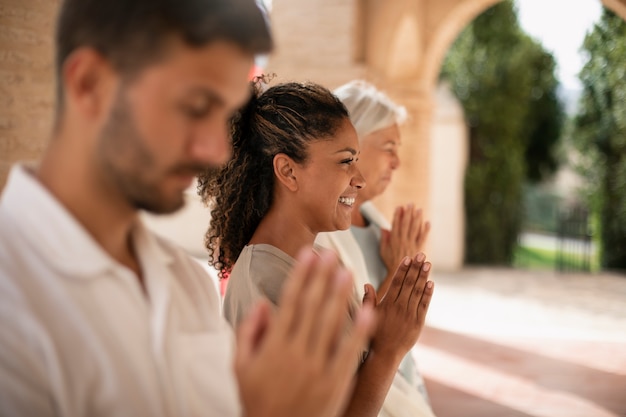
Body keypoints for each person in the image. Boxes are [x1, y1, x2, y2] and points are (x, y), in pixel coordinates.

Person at [0, 1, 376, 416]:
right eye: (196, 106)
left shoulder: (186, 285)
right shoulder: (11, 294)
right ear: (90, 84)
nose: (215, 152)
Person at [200, 80, 435, 417]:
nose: (359, 179)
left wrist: (377, 333)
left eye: (356, 160)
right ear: (287, 171)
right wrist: (387, 352)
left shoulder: (319, 262)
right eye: (345, 161)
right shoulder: (264, 283)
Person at [316, 80, 434, 417]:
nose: (397, 162)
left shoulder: (381, 227)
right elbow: (353, 340)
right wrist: (397, 273)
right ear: (352, 143)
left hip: (406, 389)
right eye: (388, 147)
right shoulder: (320, 236)